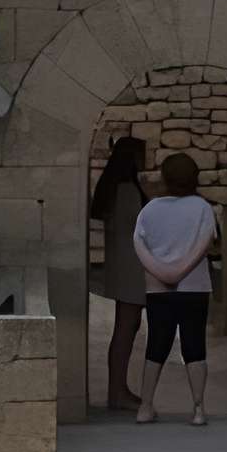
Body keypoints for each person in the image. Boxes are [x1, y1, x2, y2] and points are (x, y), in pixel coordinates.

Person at [129, 150, 218, 426]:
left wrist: (163, 273)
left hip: (158, 289)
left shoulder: (150, 209)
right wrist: (182, 271)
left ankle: (145, 406)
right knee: (194, 345)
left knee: (156, 344)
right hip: (195, 288)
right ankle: (198, 409)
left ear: (165, 178)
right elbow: (208, 242)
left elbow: (138, 243)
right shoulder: (202, 208)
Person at [88, 135, 149, 413]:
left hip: (122, 264)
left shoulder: (116, 188)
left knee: (126, 327)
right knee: (126, 328)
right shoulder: (127, 190)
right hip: (131, 267)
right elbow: (140, 228)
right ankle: (117, 391)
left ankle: (119, 388)